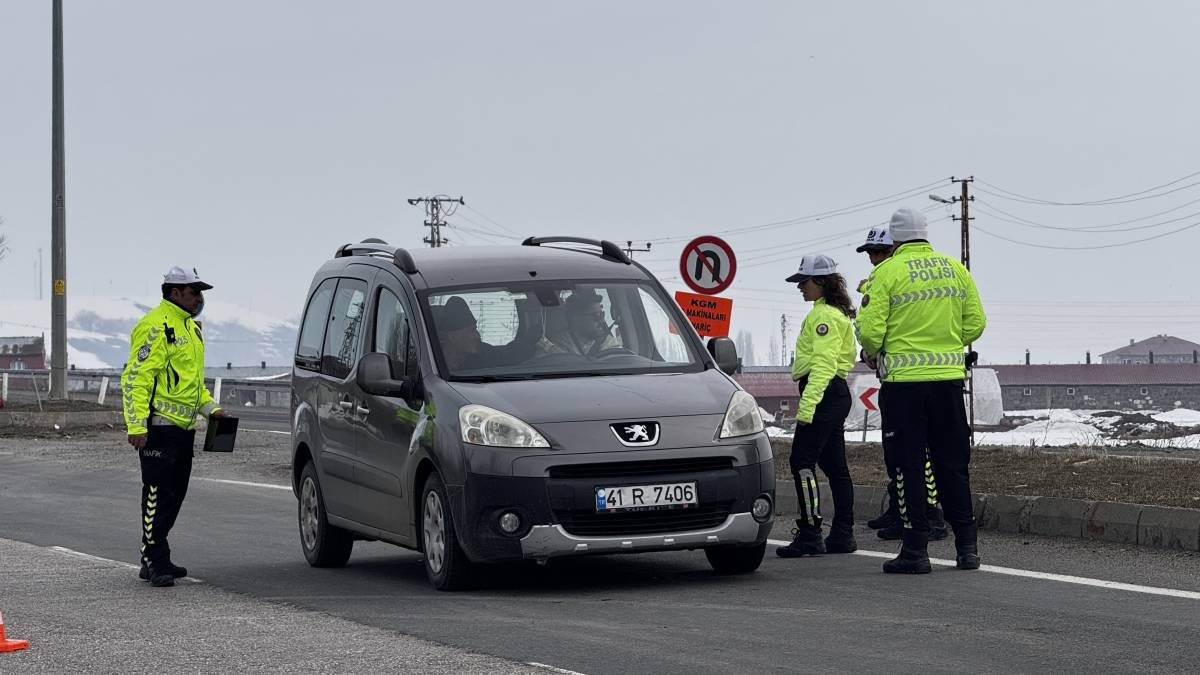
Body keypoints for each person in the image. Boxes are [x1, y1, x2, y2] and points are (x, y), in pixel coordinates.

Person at [857, 208, 986, 574]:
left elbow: (869, 333)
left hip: (904, 388)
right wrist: (944, 343)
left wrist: (876, 350)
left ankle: (915, 550)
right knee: (953, 465)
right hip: (948, 382)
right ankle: (967, 547)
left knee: (908, 466)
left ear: (895, 240)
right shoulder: (954, 269)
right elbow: (976, 322)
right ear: (925, 233)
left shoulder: (886, 273)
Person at [122, 266, 225, 587]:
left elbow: (192, 385)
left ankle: (153, 555)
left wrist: (213, 410)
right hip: (157, 428)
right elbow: (136, 378)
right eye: (194, 292)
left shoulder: (190, 329)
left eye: (200, 292)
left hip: (183, 429)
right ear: (174, 292)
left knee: (174, 495)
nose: (199, 298)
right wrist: (137, 424)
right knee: (157, 493)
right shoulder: (154, 326)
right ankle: (155, 559)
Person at [854, 226, 948, 542]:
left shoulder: (896, 280)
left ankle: (930, 514)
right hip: (893, 377)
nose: (873, 259)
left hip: (912, 381)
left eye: (879, 252)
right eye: (870, 253)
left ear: (894, 250)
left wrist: (872, 346)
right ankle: (900, 508)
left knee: (917, 455)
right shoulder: (879, 281)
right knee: (895, 454)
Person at [776, 254, 859, 558]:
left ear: (821, 282)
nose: (800, 287)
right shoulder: (833, 312)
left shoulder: (823, 317)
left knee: (801, 462)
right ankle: (842, 534)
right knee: (836, 467)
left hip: (823, 393)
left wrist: (807, 407)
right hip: (833, 394)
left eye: (804, 281)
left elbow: (823, 366)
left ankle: (811, 532)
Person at [435, 296, 537, 371]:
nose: (477, 335)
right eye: (470, 331)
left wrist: (528, 342)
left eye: (475, 329)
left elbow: (506, 356)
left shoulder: (482, 353)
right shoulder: (432, 361)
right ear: (453, 337)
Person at [541, 290, 620, 357]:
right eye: (596, 316)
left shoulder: (608, 343)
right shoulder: (554, 348)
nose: (602, 321)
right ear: (576, 319)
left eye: (602, 315)